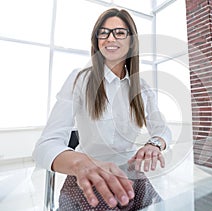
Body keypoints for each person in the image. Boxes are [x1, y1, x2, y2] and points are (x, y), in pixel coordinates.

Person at [33, 8, 171, 210]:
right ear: (97, 42)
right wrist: (81, 163)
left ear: (132, 42)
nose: (110, 38)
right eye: (103, 33)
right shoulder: (80, 79)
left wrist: (154, 144)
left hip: (132, 177)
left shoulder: (142, 87)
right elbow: (45, 145)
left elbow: (162, 130)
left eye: (119, 32)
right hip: (89, 177)